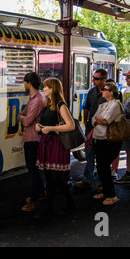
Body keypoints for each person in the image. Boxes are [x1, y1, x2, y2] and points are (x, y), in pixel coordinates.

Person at [35, 77, 76, 216]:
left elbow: (71, 125)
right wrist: (40, 127)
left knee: (56, 179)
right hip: (47, 142)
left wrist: (49, 128)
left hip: (56, 144)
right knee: (49, 178)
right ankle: (50, 207)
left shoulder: (60, 105)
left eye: (46, 86)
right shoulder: (48, 104)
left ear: (52, 89)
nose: (43, 88)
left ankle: (70, 203)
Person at [17, 72, 46, 212]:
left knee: (33, 169)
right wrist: (23, 117)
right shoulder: (34, 98)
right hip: (30, 137)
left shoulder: (37, 100)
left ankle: (35, 200)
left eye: (25, 82)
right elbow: (23, 115)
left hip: (33, 139)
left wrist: (23, 118)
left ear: (29, 83)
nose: (24, 84)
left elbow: (26, 119)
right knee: (33, 168)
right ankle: (41, 192)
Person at [91, 83, 123, 205]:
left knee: (104, 166)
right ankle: (106, 191)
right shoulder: (103, 104)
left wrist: (99, 119)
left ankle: (111, 195)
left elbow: (105, 120)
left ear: (111, 93)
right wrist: (98, 119)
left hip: (110, 140)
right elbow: (93, 119)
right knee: (100, 167)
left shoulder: (115, 105)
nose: (102, 91)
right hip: (99, 138)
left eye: (105, 90)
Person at [75, 69, 107, 189]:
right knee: (89, 154)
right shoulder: (92, 91)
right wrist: (86, 121)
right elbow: (86, 107)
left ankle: (100, 182)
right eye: (93, 78)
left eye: (96, 79)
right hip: (90, 126)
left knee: (101, 156)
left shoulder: (110, 92)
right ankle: (88, 179)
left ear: (104, 80)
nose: (93, 80)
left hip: (103, 128)